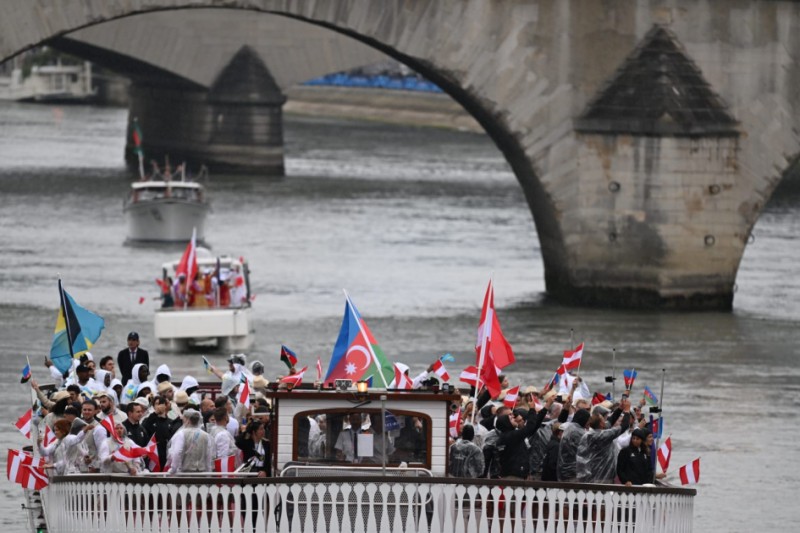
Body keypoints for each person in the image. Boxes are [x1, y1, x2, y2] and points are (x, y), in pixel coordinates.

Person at [576, 398, 632, 483]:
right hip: (603, 477)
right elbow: (624, 426)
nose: (606, 421)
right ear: (602, 424)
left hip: (592, 474)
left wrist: (620, 408)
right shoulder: (604, 435)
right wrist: (627, 411)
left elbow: (610, 421)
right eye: (603, 420)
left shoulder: (589, 434)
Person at [168, 409, 213, 473]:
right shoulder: (206, 435)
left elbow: (177, 452)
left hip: (185, 472)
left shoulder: (181, 434)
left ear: (187, 420)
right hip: (202, 472)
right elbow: (209, 455)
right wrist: (209, 471)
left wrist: (173, 469)